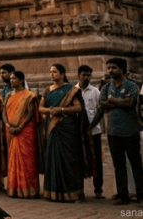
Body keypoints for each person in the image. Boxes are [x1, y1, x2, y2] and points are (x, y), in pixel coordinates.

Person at [91, 57, 143, 206]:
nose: (110, 71)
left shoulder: (132, 86)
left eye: (113, 68)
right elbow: (102, 103)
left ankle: (141, 195)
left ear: (122, 69)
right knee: (119, 165)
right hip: (113, 132)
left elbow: (130, 103)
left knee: (136, 165)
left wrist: (113, 100)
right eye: (108, 68)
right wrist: (120, 101)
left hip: (131, 130)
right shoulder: (107, 87)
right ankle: (123, 195)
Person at [40, 63, 92, 202]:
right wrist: (50, 110)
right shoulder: (47, 90)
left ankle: (73, 193)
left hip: (68, 129)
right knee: (53, 159)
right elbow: (40, 108)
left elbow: (78, 108)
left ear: (62, 74)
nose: (52, 74)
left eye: (55, 72)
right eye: (50, 72)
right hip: (53, 129)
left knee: (69, 160)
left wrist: (61, 110)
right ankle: (53, 192)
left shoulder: (71, 90)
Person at [3, 70, 39, 198]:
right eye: (11, 79)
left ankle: (29, 189)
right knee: (12, 159)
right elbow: (3, 112)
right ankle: (14, 188)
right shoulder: (8, 96)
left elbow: (31, 113)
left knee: (27, 160)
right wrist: (8, 125)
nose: (11, 81)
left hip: (25, 131)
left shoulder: (29, 95)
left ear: (21, 80)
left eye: (14, 79)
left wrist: (20, 127)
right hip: (11, 130)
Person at [77, 64, 104, 199]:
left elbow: (101, 109)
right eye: (84, 75)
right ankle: (79, 190)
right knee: (78, 160)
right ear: (78, 76)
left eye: (89, 75)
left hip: (94, 131)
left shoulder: (95, 91)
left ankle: (98, 189)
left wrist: (91, 126)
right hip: (77, 132)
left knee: (96, 160)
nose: (86, 77)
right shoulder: (73, 91)